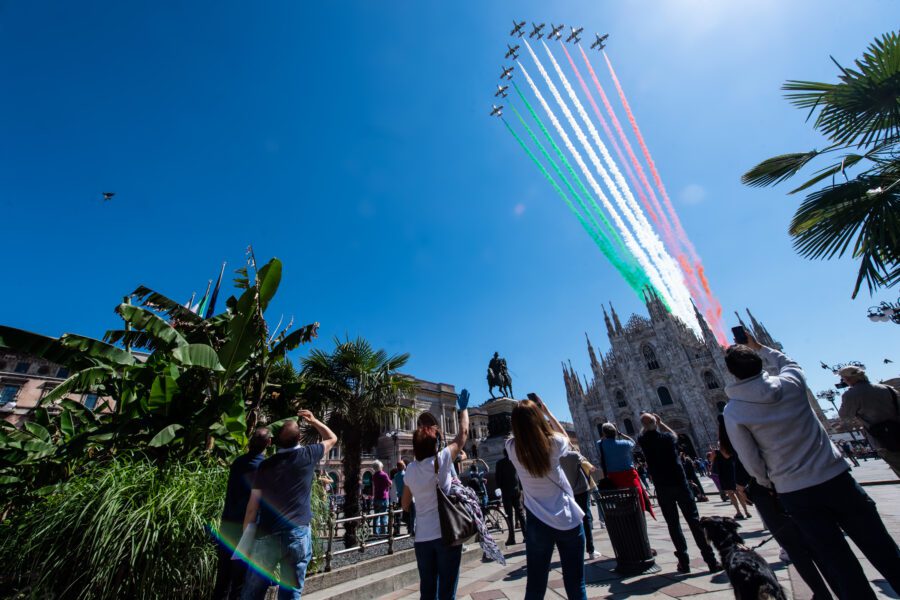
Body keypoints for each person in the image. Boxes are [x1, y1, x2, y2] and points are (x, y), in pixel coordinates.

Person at [723, 333, 900, 600]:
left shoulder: (734, 411)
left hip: (796, 493)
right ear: (759, 363)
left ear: (732, 373)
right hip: (836, 478)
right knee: (882, 547)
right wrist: (759, 346)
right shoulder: (791, 384)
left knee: (839, 563)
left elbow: (750, 459)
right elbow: (788, 361)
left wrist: (768, 482)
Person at [718, 414, 835, 599]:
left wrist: (747, 484)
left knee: (794, 548)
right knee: (815, 542)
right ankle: (838, 589)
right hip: (792, 482)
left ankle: (821, 593)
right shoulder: (756, 421)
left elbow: (745, 461)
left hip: (766, 490)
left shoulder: (734, 431)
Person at [240, 411, 337, 600]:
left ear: (275, 441)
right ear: (299, 437)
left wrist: (246, 541)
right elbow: (331, 437)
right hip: (298, 532)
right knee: (292, 591)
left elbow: (252, 508)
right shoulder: (308, 455)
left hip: (268, 533)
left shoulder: (264, 466)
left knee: (253, 591)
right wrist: (314, 420)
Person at [507, 394, 586, 600]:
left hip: (537, 522)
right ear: (538, 419)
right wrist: (547, 412)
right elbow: (565, 438)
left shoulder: (512, 448)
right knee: (576, 583)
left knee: (535, 585)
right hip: (567, 518)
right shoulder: (554, 444)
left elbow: (516, 436)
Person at [401, 394, 470, 600]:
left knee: (428, 591)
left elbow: (405, 504)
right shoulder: (442, 460)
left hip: (422, 538)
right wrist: (462, 410)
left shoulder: (410, 470)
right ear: (435, 444)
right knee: (447, 590)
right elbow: (463, 434)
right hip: (447, 535)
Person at [637, 413, 721, 574]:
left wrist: (647, 424)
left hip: (663, 488)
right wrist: (660, 423)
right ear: (656, 423)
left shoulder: (644, 441)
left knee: (673, 525)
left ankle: (684, 562)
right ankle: (711, 561)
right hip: (680, 484)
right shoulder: (668, 438)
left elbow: (640, 435)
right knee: (695, 522)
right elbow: (675, 435)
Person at [214, 427, 271, 600]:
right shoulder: (265, 467)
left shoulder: (238, 462)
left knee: (222, 577)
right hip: (247, 528)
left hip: (228, 523)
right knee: (239, 579)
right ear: (268, 443)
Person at [838, 365, 900, 477]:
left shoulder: (851, 395)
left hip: (882, 439)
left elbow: (845, 415)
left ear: (848, 379)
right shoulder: (887, 388)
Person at [596, 423, 654, 517]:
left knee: (620, 499)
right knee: (637, 498)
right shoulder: (625, 443)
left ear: (604, 433)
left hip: (614, 478)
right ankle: (640, 515)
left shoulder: (601, 444)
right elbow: (633, 442)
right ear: (615, 432)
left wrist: (605, 434)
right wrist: (620, 433)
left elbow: (600, 441)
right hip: (630, 476)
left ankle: (626, 516)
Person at [559, 449, 601, 560]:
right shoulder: (574, 455)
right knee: (586, 517)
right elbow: (589, 466)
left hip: (568, 492)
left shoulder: (555, 458)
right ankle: (591, 550)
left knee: (572, 520)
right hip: (581, 489)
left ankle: (574, 551)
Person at [495, 449, 526, 545]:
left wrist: (500, 487)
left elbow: (498, 479)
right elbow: (521, 475)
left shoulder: (500, 463)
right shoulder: (516, 461)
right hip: (517, 490)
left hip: (506, 491)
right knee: (520, 514)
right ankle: (526, 535)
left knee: (509, 516)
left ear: (504, 453)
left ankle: (512, 538)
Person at [713, 443, 751, 519]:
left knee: (731, 494)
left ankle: (739, 512)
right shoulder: (731, 451)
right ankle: (746, 511)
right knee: (738, 493)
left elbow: (715, 469)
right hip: (733, 474)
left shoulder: (717, 455)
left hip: (724, 476)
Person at [372, 461, 392, 535]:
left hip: (376, 497)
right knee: (383, 515)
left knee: (376, 515)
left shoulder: (374, 475)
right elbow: (390, 483)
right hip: (383, 497)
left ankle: (375, 532)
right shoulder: (384, 474)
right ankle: (383, 532)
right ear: (380, 467)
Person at [393, 461, 411, 535]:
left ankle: (396, 529)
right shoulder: (405, 475)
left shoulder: (395, 476)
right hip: (406, 496)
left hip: (399, 496)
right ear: (403, 466)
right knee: (408, 513)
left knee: (397, 514)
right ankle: (409, 528)